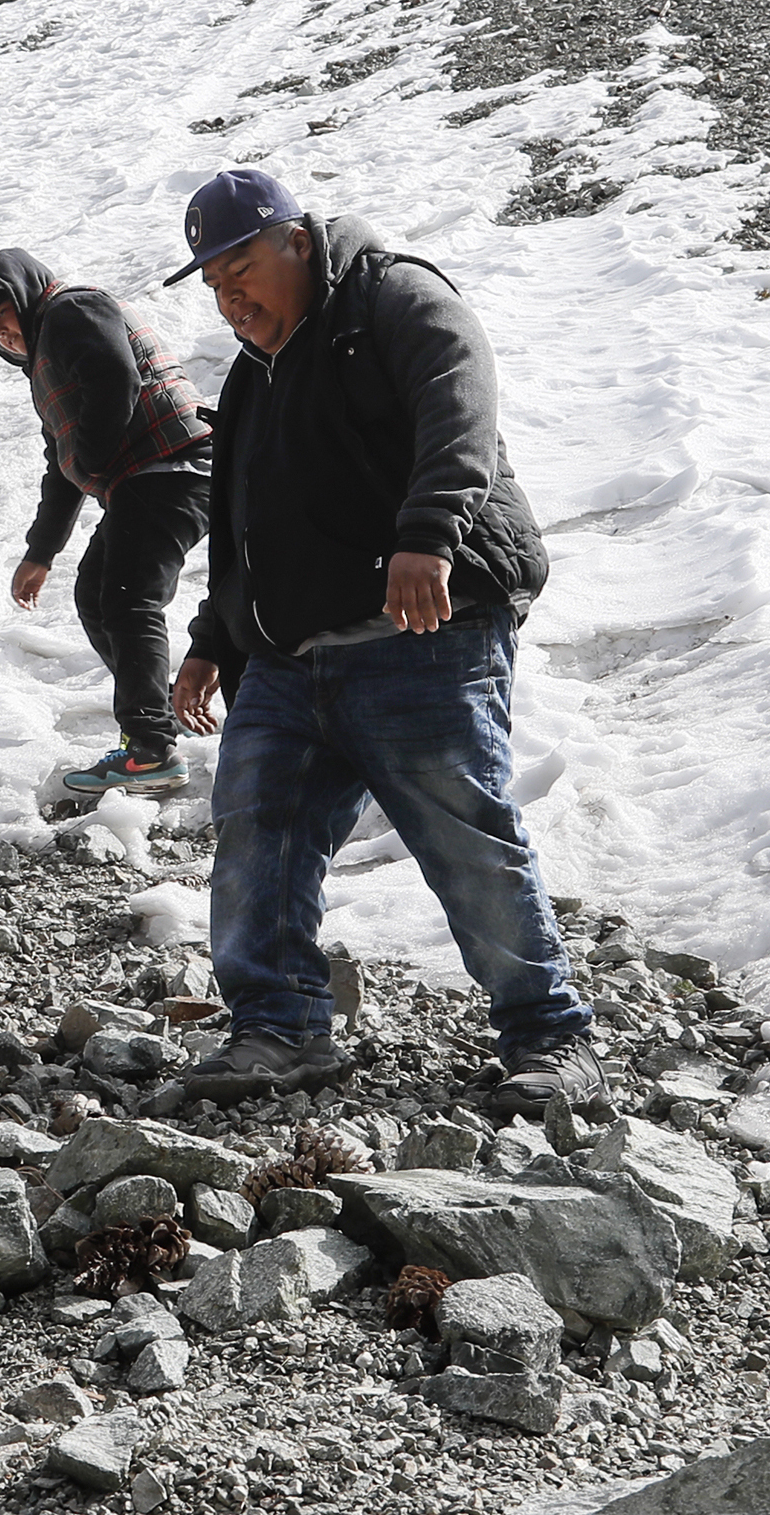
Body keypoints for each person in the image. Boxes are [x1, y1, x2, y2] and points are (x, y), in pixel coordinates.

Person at [158, 168, 601, 1120]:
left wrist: (424, 536)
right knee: (255, 827)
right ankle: (279, 1026)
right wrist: (208, 640)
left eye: (242, 268)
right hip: (286, 657)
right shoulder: (248, 379)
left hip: (421, 630)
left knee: (462, 832)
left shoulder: (394, 297)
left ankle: (549, 1038)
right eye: (213, 284)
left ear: (298, 242)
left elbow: (460, 408)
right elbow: (241, 525)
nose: (231, 297)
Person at [0, 248, 213, 795]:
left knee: (126, 597)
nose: (4, 336)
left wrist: (92, 458)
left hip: (170, 467)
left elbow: (115, 380)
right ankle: (150, 715)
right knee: (97, 595)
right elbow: (62, 464)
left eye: (5, 319)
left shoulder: (74, 310)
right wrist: (40, 552)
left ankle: (151, 749)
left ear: (27, 298)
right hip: (145, 479)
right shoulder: (47, 357)